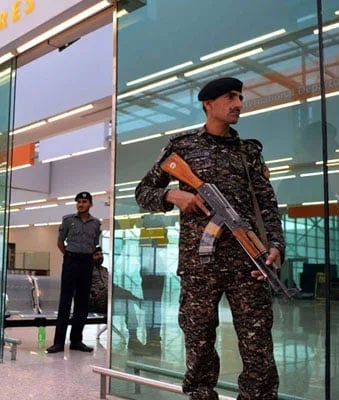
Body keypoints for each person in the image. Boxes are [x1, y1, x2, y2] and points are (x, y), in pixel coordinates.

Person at [134, 77, 285, 400]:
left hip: (249, 264)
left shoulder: (248, 152)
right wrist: (173, 195)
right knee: (199, 346)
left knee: (258, 351)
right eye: (231, 97)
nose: (238, 104)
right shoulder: (183, 147)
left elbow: (268, 204)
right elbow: (142, 192)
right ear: (208, 104)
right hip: (199, 265)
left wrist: (275, 246)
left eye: (240, 98)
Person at [46, 191, 101, 354]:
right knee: (65, 302)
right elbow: (60, 242)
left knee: (82, 303)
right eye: (78, 202)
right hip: (71, 261)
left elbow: (94, 244)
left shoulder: (96, 224)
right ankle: (58, 343)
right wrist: (70, 255)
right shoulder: (68, 220)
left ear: (90, 204)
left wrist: (85, 257)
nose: (81, 204)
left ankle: (76, 341)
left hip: (86, 263)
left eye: (84, 202)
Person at [88, 247, 161, 356]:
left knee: (127, 303)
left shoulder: (104, 270)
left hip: (107, 299)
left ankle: (133, 338)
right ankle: (137, 301)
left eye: (101, 254)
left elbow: (112, 286)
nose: (100, 256)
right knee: (112, 290)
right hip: (96, 300)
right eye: (96, 254)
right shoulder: (86, 270)